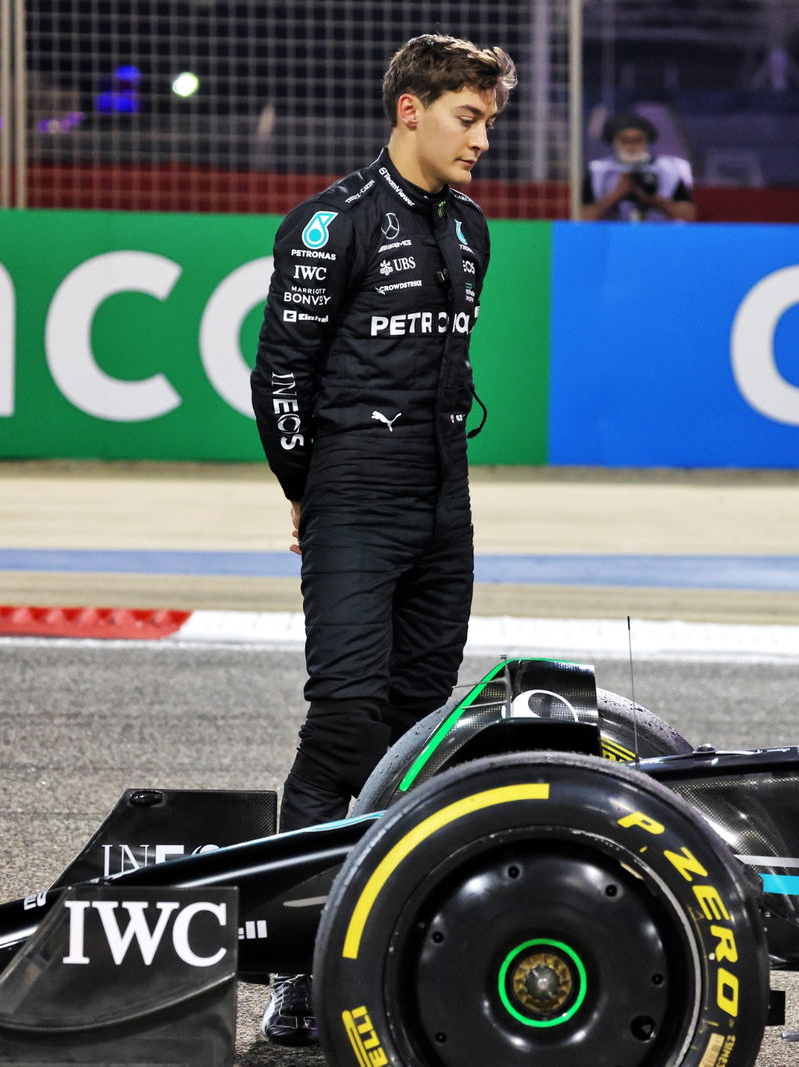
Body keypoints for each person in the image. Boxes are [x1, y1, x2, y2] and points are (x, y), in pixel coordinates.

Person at [248, 32, 516, 1048]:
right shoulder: (329, 224)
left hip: (446, 497)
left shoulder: (472, 231)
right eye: (467, 115)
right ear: (410, 108)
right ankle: (292, 966)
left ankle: (386, 943)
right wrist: (309, 491)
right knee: (348, 712)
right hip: (356, 494)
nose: (482, 137)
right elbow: (279, 376)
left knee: (417, 730)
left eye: (489, 119)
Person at [583, 112, 698, 221]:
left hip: (658, 235)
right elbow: (583, 217)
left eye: (638, 140)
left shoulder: (668, 170)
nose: (632, 145)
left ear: (647, 141)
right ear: (614, 141)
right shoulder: (598, 171)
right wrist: (616, 194)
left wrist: (654, 200)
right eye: (625, 140)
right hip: (610, 236)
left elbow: (688, 216)